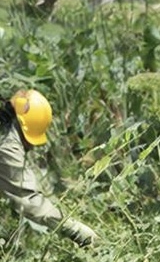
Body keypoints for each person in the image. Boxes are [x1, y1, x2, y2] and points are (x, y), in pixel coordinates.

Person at [2, 89, 98, 246]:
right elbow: (28, 200)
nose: (32, 147)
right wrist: (73, 229)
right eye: (30, 140)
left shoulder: (6, 125)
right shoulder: (7, 146)